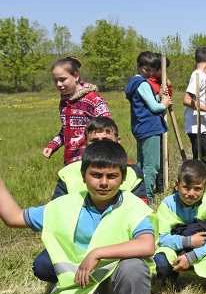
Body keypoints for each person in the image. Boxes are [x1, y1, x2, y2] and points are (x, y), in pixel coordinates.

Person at [0, 140, 155, 294]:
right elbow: (14, 217)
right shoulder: (64, 205)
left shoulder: (133, 206)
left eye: (111, 176)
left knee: (134, 267)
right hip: (80, 286)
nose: (103, 182)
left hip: (114, 287)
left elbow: (147, 244)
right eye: (96, 175)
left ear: (122, 178)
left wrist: (98, 253)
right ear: (83, 176)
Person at [33, 116, 148, 284]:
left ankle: (113, 283)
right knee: (43, 265)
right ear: (86, 144)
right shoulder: (69, 173)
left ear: (118, 141)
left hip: (117, 244)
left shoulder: (132, 173)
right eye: (94, 141)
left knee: (140, 265)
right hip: (77, 244)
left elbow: (141, 217)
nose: (103, 182)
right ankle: (78, 281)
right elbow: (55, 215)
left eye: (107, 139)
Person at [154, 160, 206, 281]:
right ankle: (171, 277)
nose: (191, 193)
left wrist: (192, 256)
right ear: (177, 185)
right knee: (161, 260)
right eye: (186, 187)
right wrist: (188, 241)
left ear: (204, 188)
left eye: (197, 189)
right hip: (176, 247)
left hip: (204, 248)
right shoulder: (167, 205)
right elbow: (162, 238)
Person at [43, 57, 111, 165]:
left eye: (62, 79)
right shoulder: (64, 102)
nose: (58, 84)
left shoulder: (93, 99)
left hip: (91, 160)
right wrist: (53, 145)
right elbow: (66, 128)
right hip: (70, 161)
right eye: (55, 81)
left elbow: (108, 126)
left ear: (75, 76)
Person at [125, 51, 172, 201]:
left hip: (141, 127)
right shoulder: (142, 84)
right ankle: (147, 197)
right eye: (148, 70)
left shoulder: (135, 83)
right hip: (149, 128)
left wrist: (159, 97)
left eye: (152, 70)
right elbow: (154, 107)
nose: (150, 73)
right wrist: (163, 104)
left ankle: (138, 193)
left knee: (142, 164)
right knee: (152, 166)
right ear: (140, 67)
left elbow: (148, 101)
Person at [183, 47, 206, 162]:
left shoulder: (202, 75)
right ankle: (197, 179)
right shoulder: (197, 75)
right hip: (196, 126)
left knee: (205, 156)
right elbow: (187, 100)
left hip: (203, 125)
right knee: (200, 158)